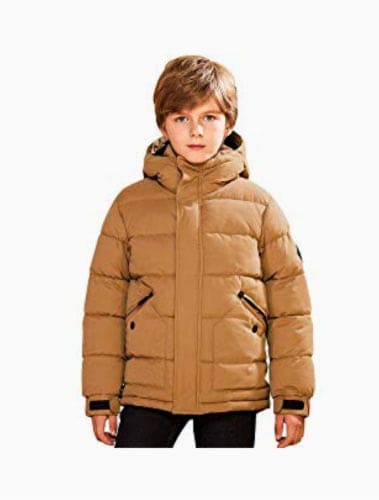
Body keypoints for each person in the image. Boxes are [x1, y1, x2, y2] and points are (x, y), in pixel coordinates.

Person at [81, 54, 315, 448]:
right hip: (148, 388)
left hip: (232, 390)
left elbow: (291, 308)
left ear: (229, 122)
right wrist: (101, 396)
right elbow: (104, 306)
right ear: (163, 125)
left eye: (209, 117)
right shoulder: (130, 206)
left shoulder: (259, 207)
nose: (196, 130)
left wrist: (292, 398)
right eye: (181, 118)